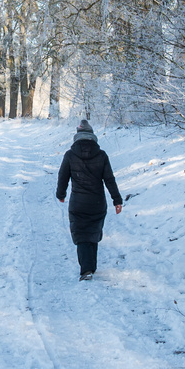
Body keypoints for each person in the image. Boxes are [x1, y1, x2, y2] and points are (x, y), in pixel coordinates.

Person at [55, 116, 123, 279]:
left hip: (78, 203)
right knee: (93, 232)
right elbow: (109, 179)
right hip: (97, 203)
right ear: (92, 135)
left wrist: (61, 194)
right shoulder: (101, 155)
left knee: (81, 234)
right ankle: (90, 266)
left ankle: (86, 269)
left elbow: (62, 176)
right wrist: (117, 200)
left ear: (77, 135)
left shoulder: (70, 155)